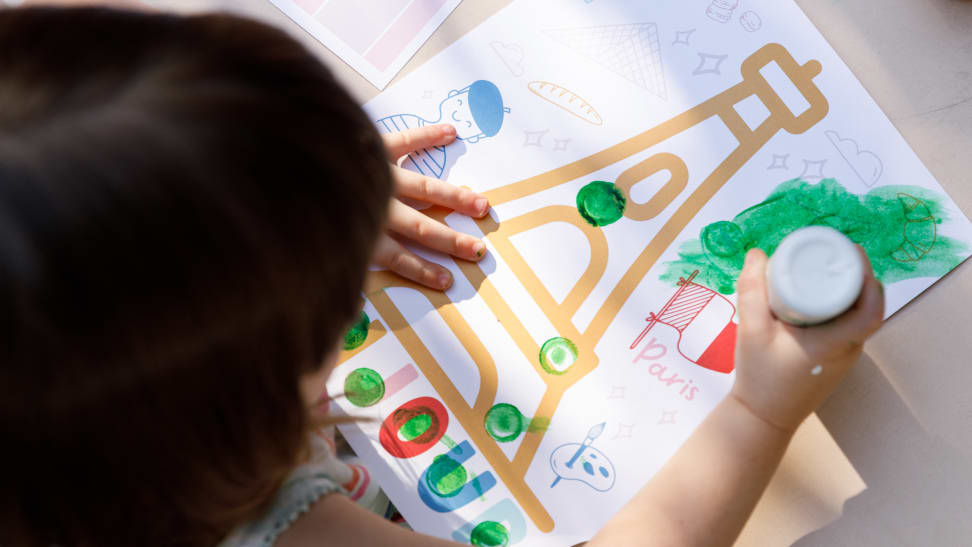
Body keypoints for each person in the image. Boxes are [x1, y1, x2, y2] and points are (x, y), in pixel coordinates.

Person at [0, 6, 885, 547]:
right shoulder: (264, 524)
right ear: (226, 413)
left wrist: (298, 202)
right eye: (328, 318)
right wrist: (760, 407)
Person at [375, 80, 508, 178]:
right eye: (459, 103)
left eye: (468, 124)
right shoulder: (403, 122)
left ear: (475, 138)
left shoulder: (436, 166)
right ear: (454, 94)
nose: (457, 115)